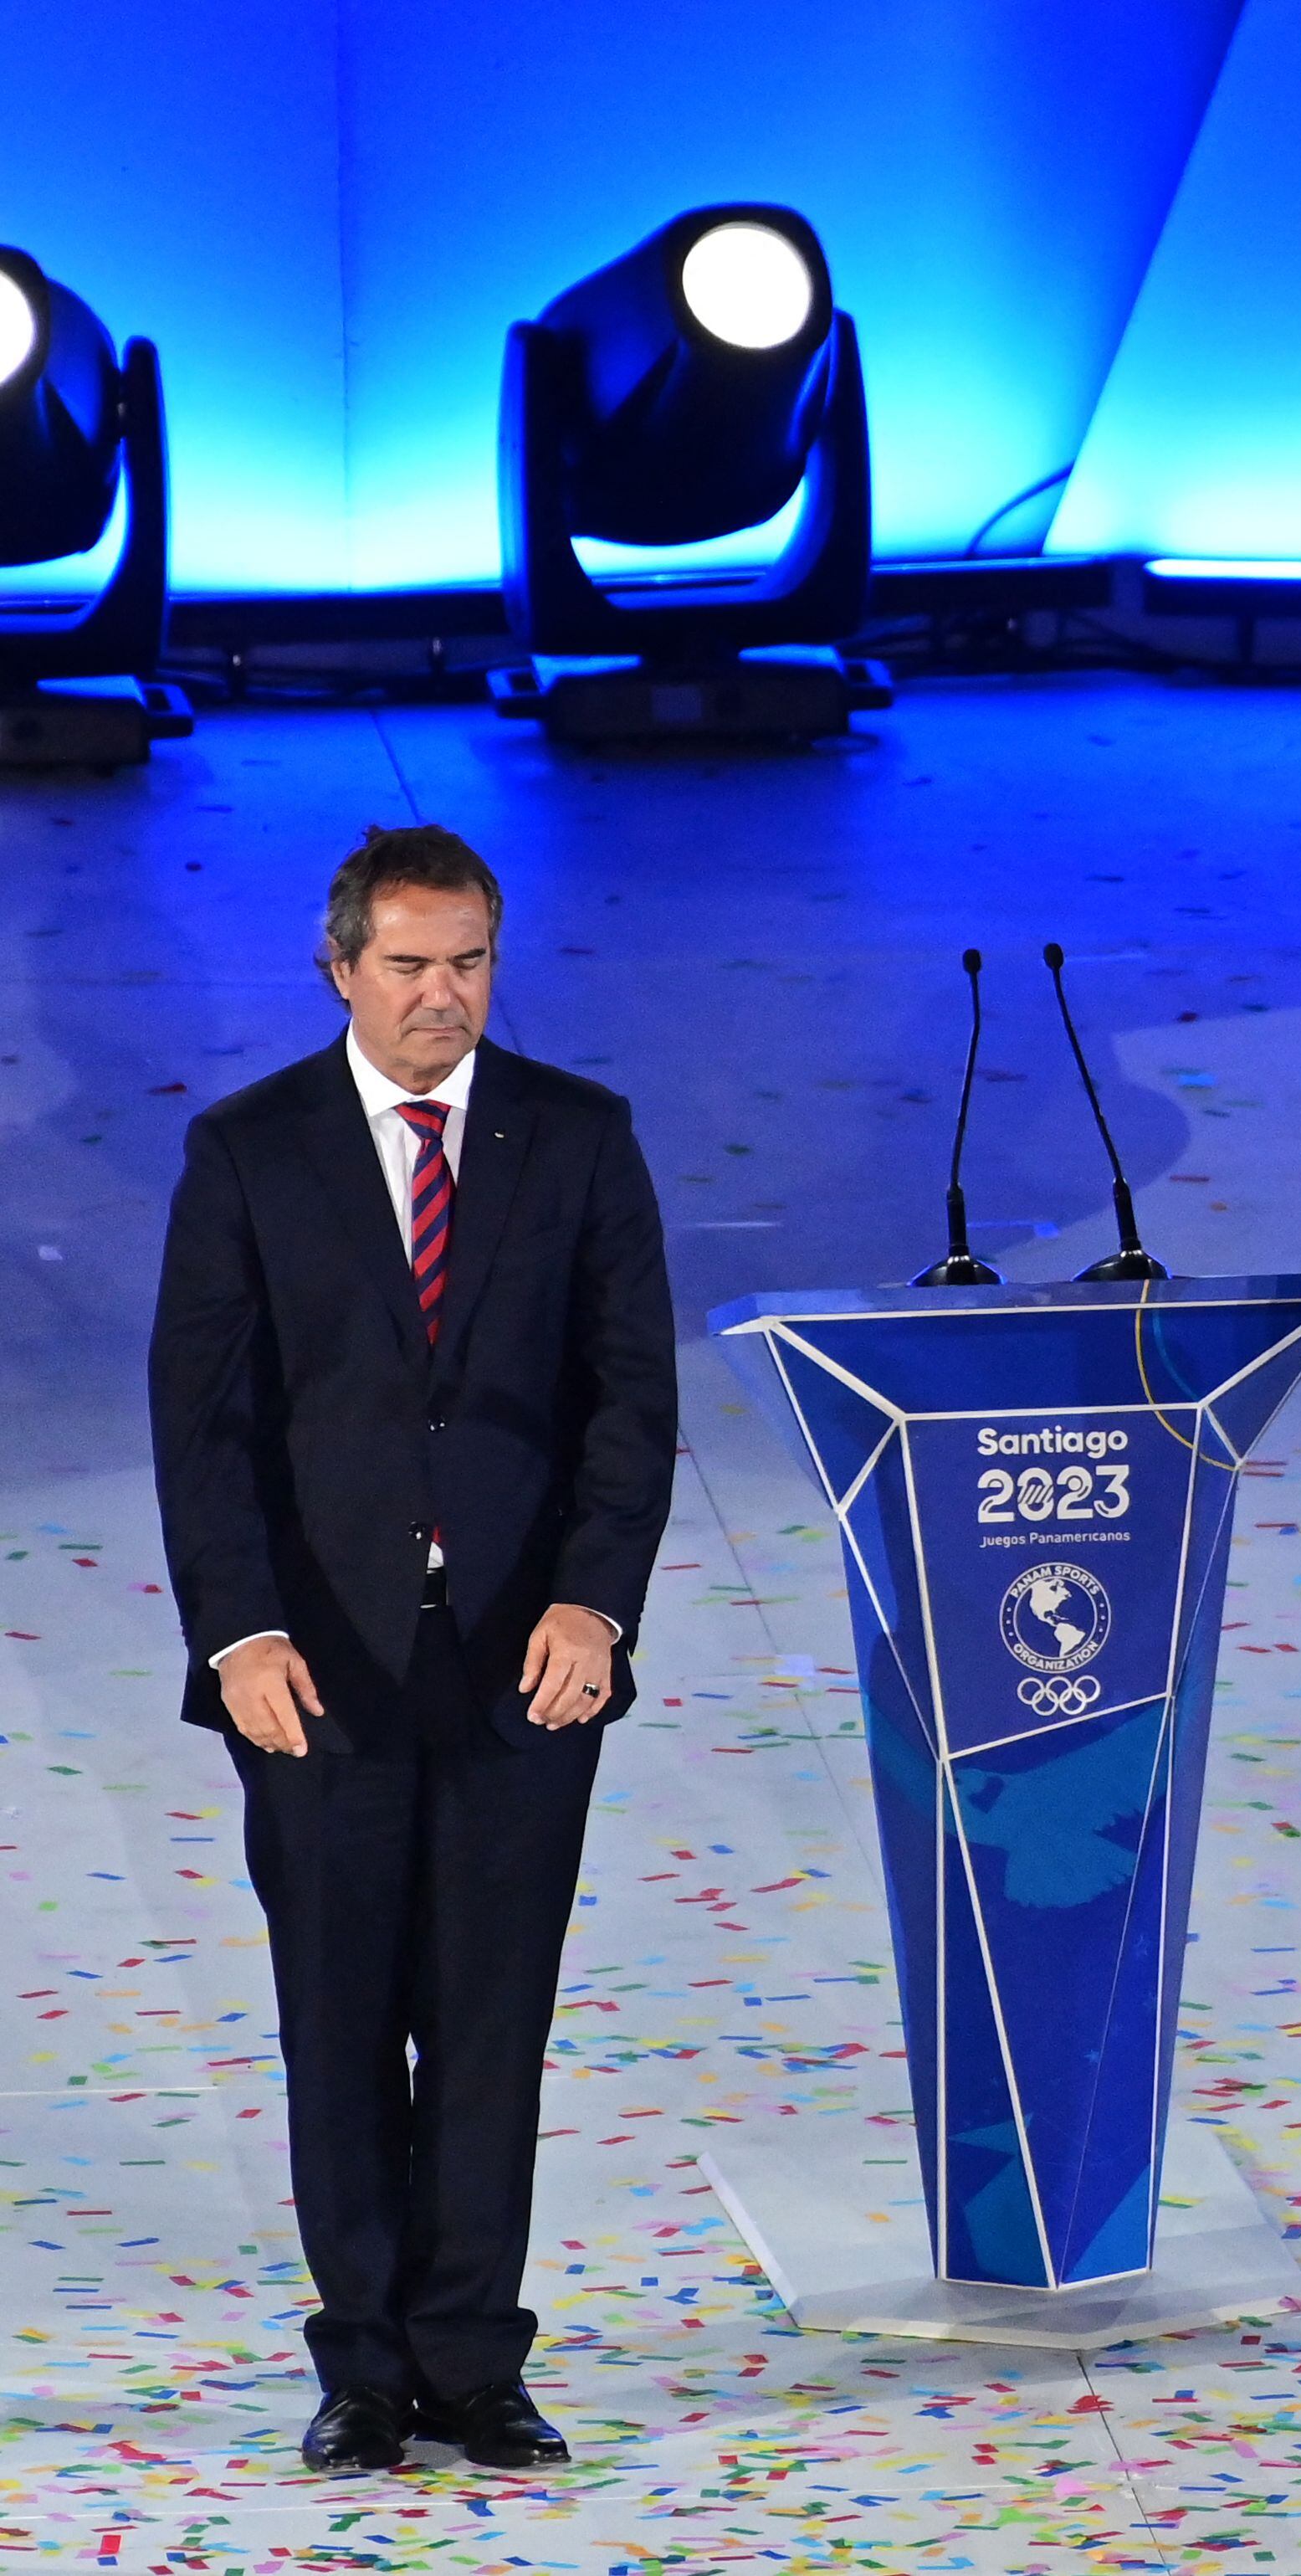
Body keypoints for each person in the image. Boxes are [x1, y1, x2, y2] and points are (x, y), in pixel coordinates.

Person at [146, 825, 676, 2475]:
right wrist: (238, 1628)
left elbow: (631, 1406)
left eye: (469, 964)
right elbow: (204, 1421)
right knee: (339, 2014)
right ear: (339, 968)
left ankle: (473, 2357)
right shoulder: (251, 1150)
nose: (442, 995)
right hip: (316, 1669)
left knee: (491, 2019)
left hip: (527, 1665)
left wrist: (596, 1600)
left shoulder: (579, 1138)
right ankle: (363, 2365)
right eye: (409, 966)